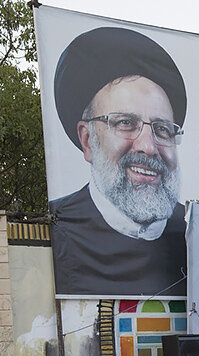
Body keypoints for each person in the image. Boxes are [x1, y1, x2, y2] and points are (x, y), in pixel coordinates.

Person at [49, 27, 187, 298]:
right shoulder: (56, 227)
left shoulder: (198, 234)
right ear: (87, 139)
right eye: (126, 123)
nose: (148, 147)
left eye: (161, 129)